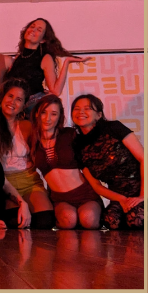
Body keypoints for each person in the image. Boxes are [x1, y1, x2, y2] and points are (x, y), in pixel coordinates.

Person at [0, 80, 54, 229]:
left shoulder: (27, 126)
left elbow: (42, 154)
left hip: (29, 181)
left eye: (19, 99)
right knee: (15, 222)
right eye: (10, 96)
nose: (13, 102)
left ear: (23, 105)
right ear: (2, 98)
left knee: (45, 221)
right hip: (4, 184)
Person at [71, 94, 143, 230]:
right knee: (111, 221)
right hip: (119, 196)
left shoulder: (113, 128)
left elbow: (144, 159)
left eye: (87, 108)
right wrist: (122, 200)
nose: (80, 112)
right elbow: (96, 186)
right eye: (76, 108)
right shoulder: (77, 145)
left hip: (143, 189)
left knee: (136, 219)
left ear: (98, 115)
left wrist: (143, 196)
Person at [30, 95, 103, 229]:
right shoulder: (32, 141)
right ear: (36, 114)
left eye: (54, 114)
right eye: (43, 113)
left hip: (85, 194)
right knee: (68, 221)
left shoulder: (70, 134)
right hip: (60, 198)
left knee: (88, 219)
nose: (48, 118)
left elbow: (93, 147)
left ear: (59, 117)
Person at [6, 17, 94, 112]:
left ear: (43, 39)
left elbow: (56, 91)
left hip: (31, 108)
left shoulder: (45, 57)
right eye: (32, 26)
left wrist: (67, 62)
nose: (33, 30)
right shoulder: (19, 56)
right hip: (14, 107)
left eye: (39, 30)